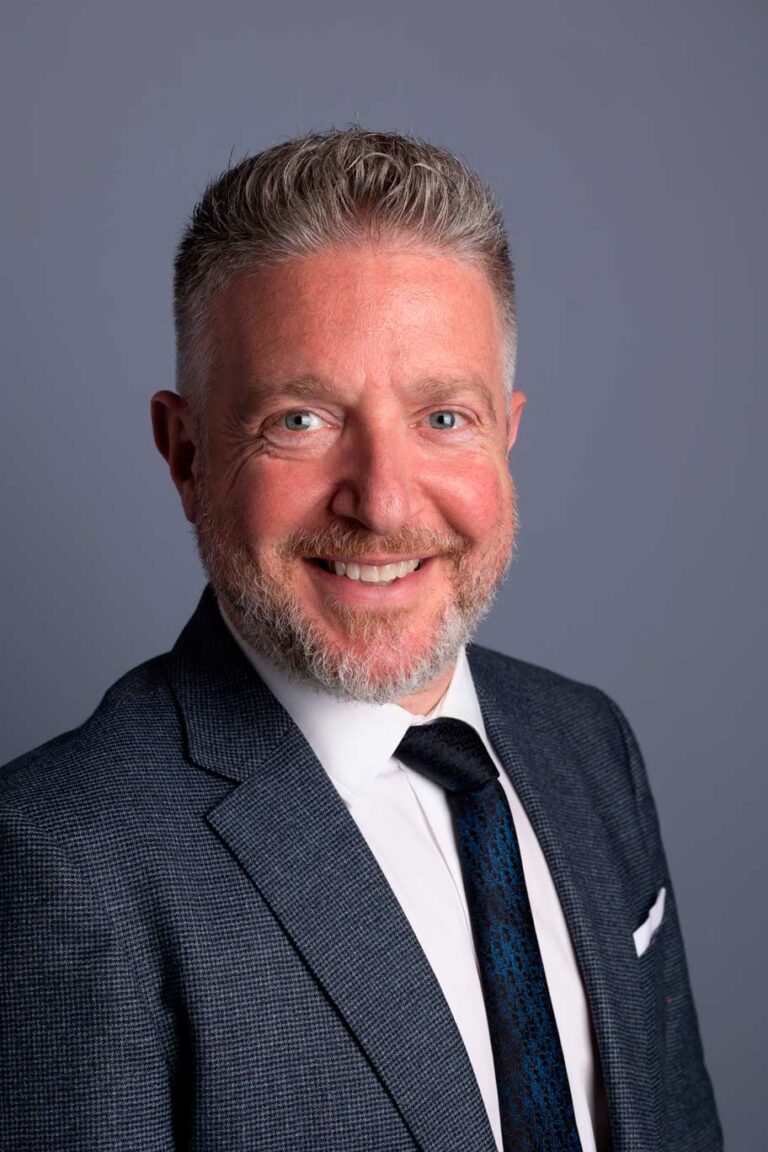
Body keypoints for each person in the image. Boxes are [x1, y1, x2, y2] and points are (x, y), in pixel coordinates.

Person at [0, 129, 722, 1152]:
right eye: (301, 420)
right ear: (187, 454)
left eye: (444, 418)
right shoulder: (62, 860)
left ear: (507, 434)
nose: (382, 504)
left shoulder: (585, 745)